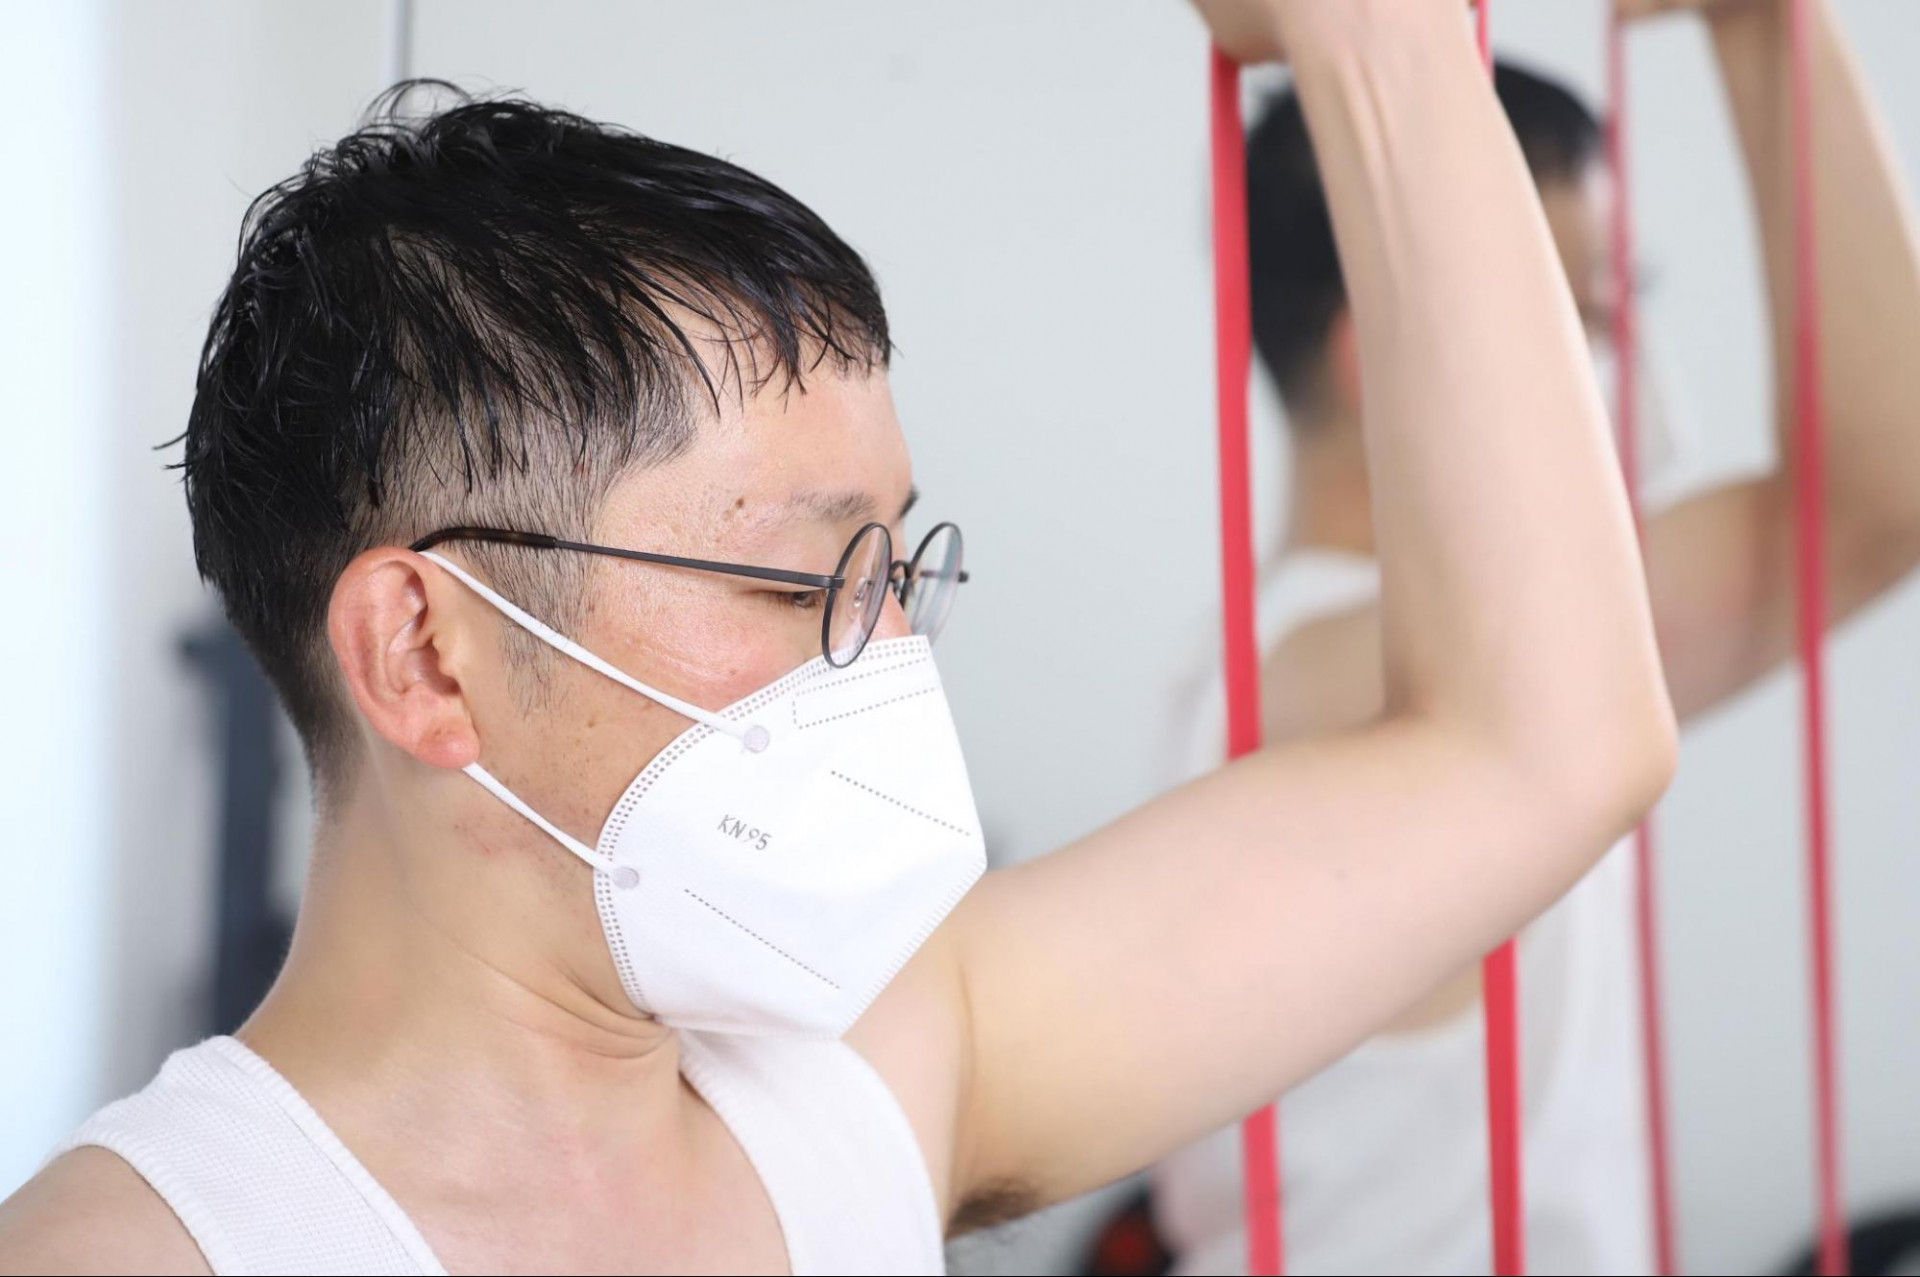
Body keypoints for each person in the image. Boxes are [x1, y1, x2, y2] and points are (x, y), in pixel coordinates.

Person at [0, 2, 1679, 1273]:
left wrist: (1379, 41)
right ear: (429, 657)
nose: (890, 663)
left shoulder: (879, 1078)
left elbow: (1547, 749)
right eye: (807, 582)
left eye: (899, 569)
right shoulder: (139, 1250)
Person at [1149, 1, 1920, 1274]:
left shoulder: (1303, 659)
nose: (1629, 369)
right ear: (1390, 358)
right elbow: (1876, 498)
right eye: (1590, 317)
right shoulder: (1358, 678)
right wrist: (1759, 23)